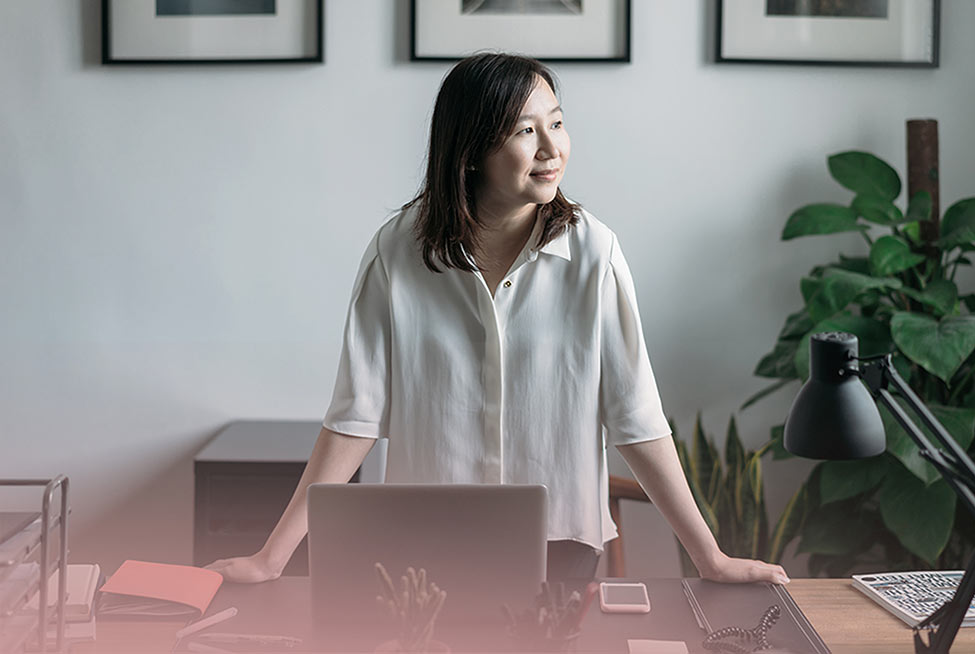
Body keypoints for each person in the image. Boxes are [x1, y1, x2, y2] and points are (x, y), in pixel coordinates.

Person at [206, 53, 790, 586]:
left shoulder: (594, 253)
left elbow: (635, 419)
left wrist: (710, 558)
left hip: (559, 545)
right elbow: (354, 419)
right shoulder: (397, 252)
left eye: (557, 123)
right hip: (423, 541)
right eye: (524, 130)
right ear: (471, 150)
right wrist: (272, 558)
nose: (551, 148)